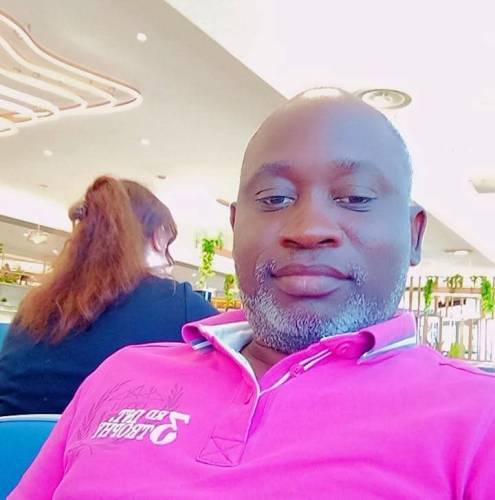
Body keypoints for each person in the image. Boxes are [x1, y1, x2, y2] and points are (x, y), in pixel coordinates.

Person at [10, 90, 495, 499]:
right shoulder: (122, 374)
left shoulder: (478, 419)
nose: (308, 229)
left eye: (355, 197)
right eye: (275, 198)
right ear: (237, 225)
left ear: (413, 235)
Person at [0, 176, 217, 416]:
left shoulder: (33, 307)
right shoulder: (180, 304)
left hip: (11, 439)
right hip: (104, 439)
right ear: (158, 237)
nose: (169, 261)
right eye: (169, 244)